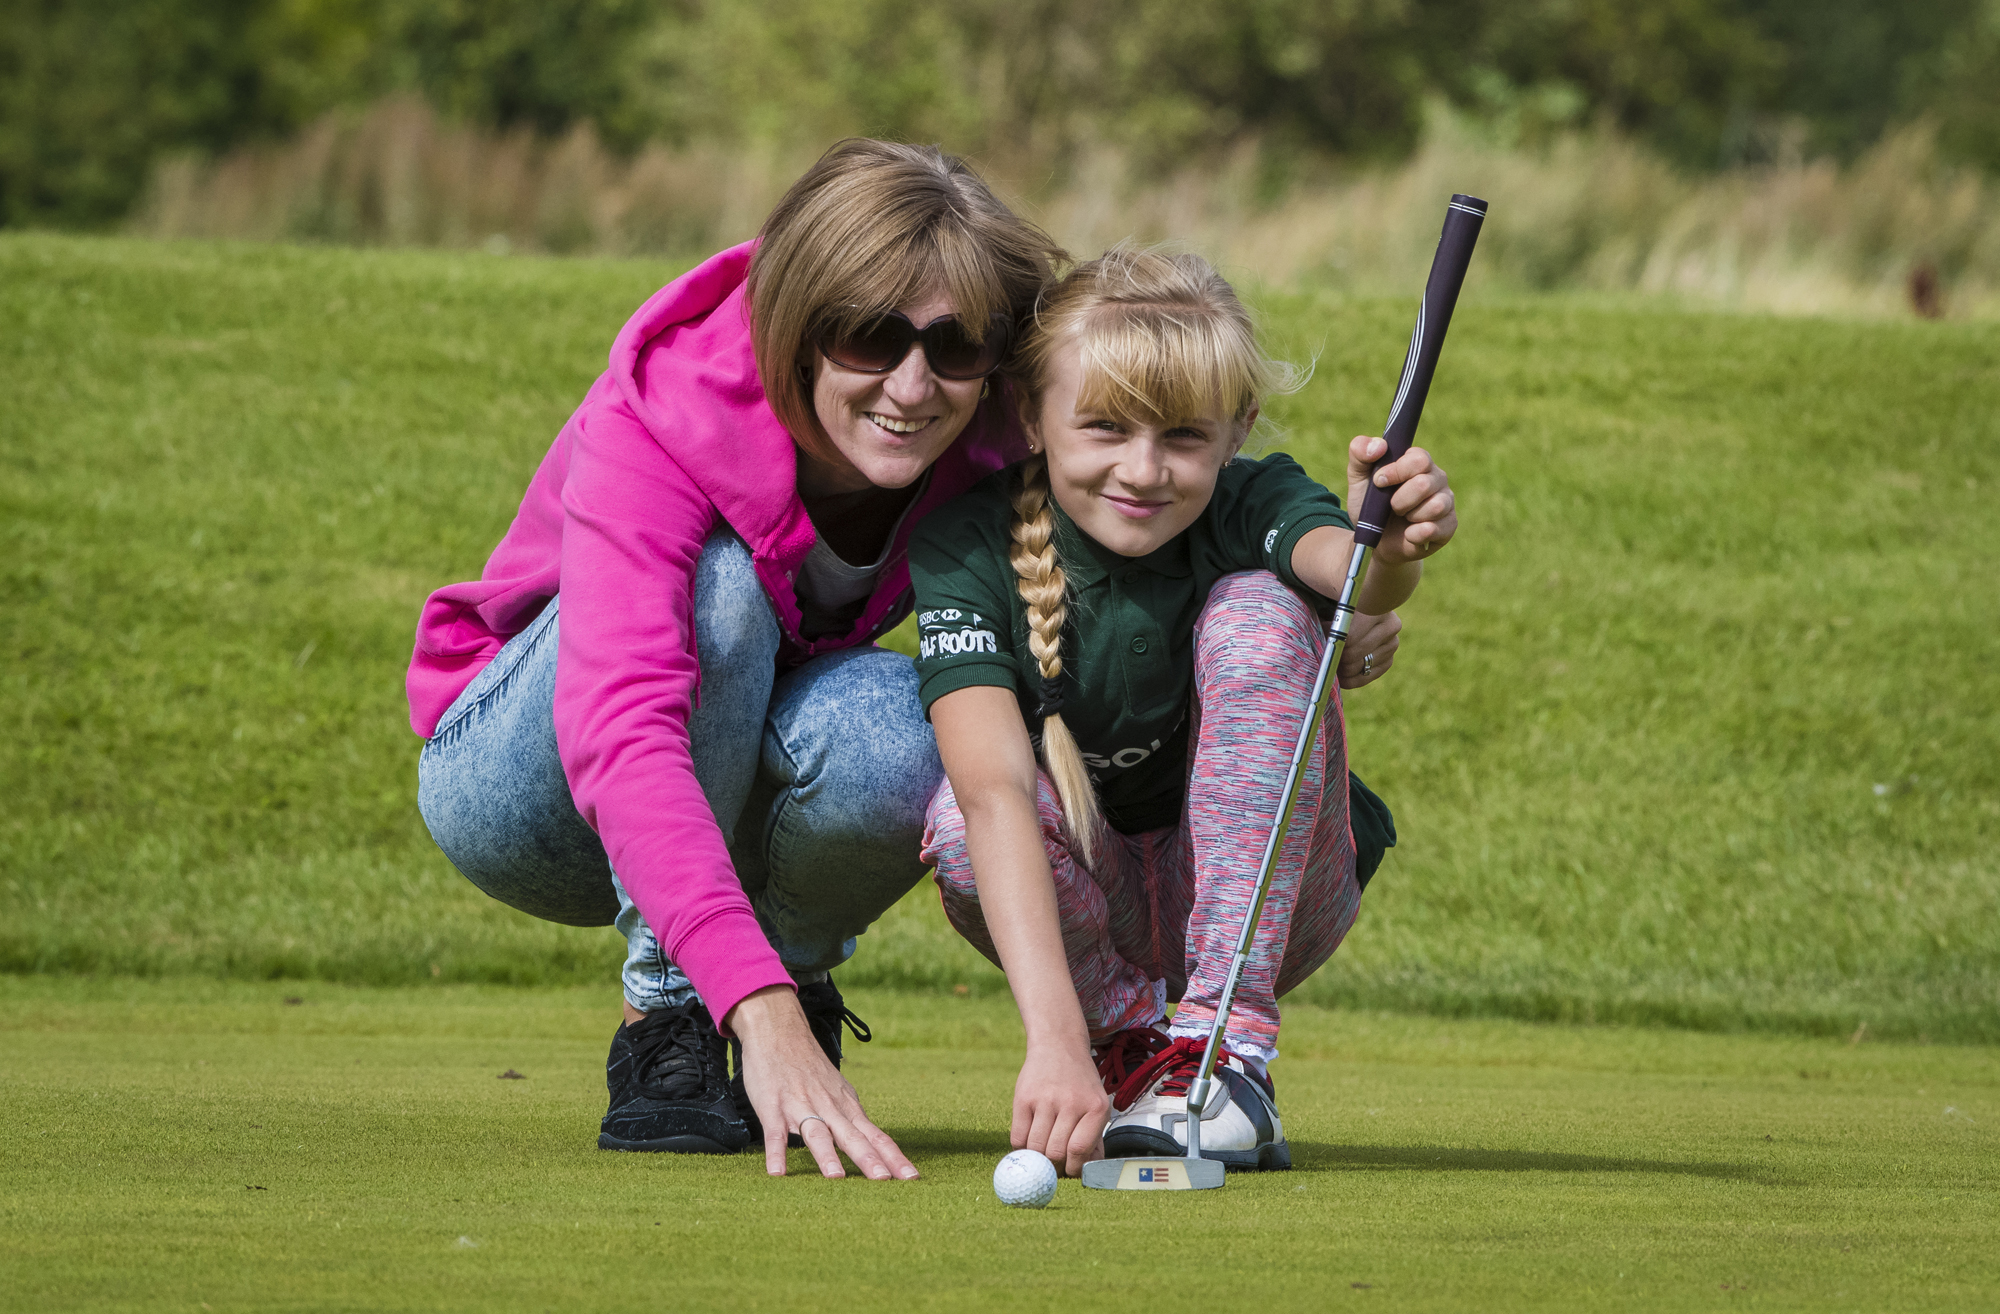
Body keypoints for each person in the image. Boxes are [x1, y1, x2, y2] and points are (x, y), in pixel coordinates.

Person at [407, 140, 1065, 1180]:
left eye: (952, 346)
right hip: (525, 794)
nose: (910, 385)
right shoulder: (668, 409)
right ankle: (669, 1014)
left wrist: (1352, 575)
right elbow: (621, 728)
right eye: (867, 336)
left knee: (911, 716)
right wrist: (740, 1003)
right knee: (720, 593)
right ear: (801, 330)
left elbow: (1158, 484)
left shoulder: (994, 429)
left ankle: (790, 981)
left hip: (722, 770)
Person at [912, 247, 1457, 1177]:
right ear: (1031, 418)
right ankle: (1130, 1045)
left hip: (1271, 904)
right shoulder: (966, 543)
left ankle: (1225, 1053)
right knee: (957, 829)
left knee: (1261, 612)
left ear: (1238, 428)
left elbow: (1350, 569)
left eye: (1183, 437)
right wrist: (1055, 1042)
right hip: (1100, 909)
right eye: (1105, 428)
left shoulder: (1253, 497)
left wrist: (1390, 542)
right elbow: (993, 793)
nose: (1144, 468)